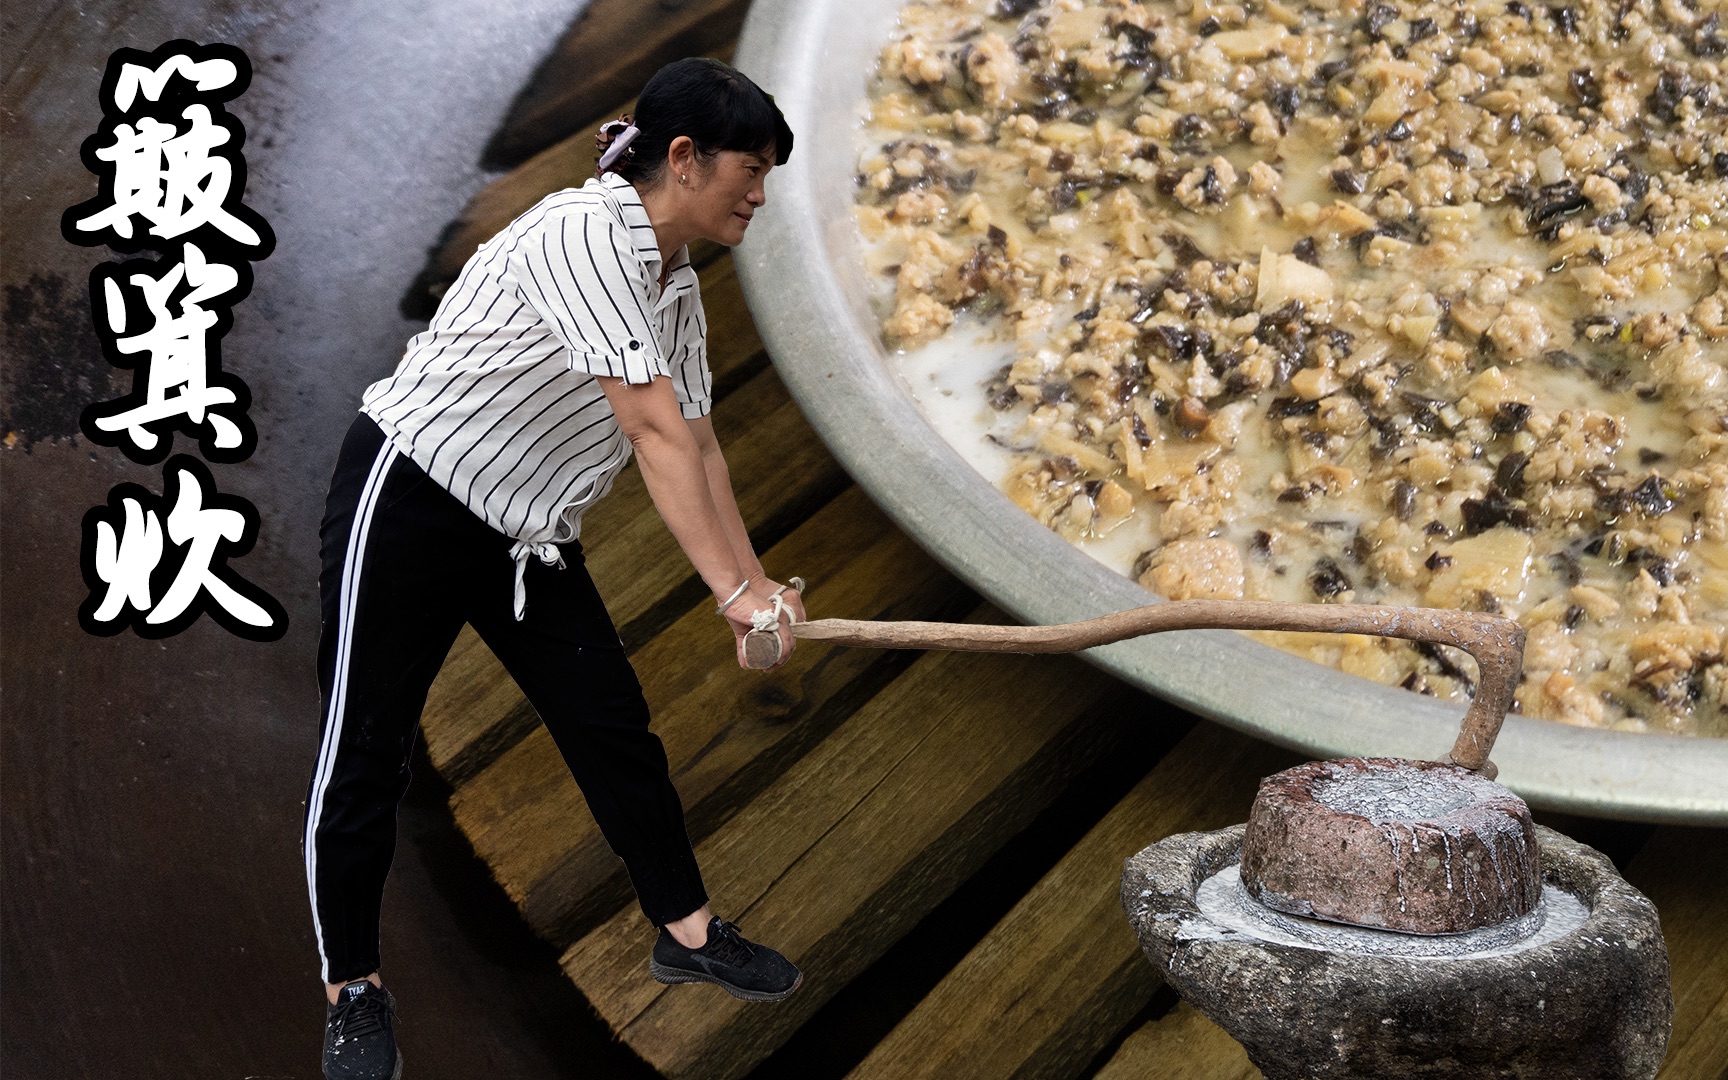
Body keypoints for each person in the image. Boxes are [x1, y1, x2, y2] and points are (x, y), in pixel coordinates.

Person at [303, 58, 803, 1080]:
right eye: (750, 171)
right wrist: (731, 591)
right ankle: (354, 987)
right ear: (682, 158)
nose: (760, 195)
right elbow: (651, 428)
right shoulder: (584, 233)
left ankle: (688, 932)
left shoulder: (675, 287)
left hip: (525, 536)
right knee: (367, 751)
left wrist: (756, 595)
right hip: (410, 499)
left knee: (612, 727)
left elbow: (702, 446)